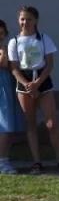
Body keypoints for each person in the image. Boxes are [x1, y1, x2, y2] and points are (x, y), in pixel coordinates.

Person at [9, 6, 59, 173]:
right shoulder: (14, 41)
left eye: (28, 19)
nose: (25, 22)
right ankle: (37, 162)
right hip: (24, 83)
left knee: (52, 123)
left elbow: (50, 64)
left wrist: (38, 83)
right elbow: (14, 68)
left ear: (35, 21)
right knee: (30, 123)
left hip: (42, 81)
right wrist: (27, 84)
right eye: (22, 19)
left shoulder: (44, 39)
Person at [0, 14, 19, 174]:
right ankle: (2, 161)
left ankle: (3, 160)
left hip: (5, 87)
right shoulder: (4, 49)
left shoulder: (7, 47)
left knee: (7, 125)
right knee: (4, 125)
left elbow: (8, 64)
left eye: (1, 33)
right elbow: (3, 63)